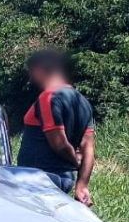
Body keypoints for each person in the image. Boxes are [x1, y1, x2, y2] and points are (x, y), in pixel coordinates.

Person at [16, 49, 95, 206]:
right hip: (63, 179)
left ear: (40, 69)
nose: (31, 78)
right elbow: (89, 148)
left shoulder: (49, 97)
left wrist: (75, 162)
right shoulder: (83, 102)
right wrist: (82, 185)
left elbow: (59, 144)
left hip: (41, 179)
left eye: (32, 72)